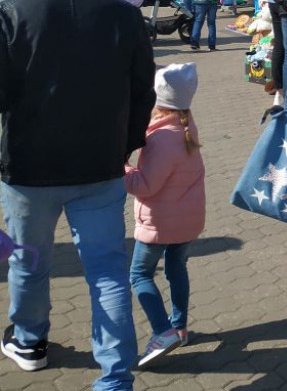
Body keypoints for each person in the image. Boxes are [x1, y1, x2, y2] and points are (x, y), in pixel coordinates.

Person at [0, 0, 155, 389]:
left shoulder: (11, 14)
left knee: (28, 261)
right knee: (108, 271)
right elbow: (143, 92)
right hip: (100, 165)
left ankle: (29, 340)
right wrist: (126, 144)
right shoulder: (125, 16)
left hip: (28, 168)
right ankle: (115, 376)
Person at [124, 63, 205, 368]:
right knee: (176, 268)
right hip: (187, 219)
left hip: (159, 223)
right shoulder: (186, 127)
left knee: (140, 274)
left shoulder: (161, 139)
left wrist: (123, 168)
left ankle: (163, 330)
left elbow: (145, 185)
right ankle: (180, 326)